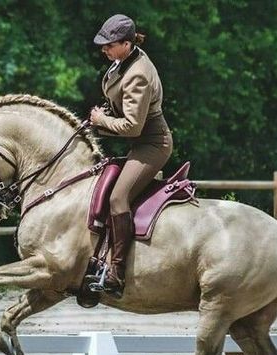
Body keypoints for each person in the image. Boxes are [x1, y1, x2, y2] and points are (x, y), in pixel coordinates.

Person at [90, 14, 173, 298]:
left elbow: (131, 126)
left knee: (117, 197)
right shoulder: (122, 61)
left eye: (109, 45)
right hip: (138, 142)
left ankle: (116, 272)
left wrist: (101, 121)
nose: (104, 50)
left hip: (152, 144)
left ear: (126, 43)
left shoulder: (138, 73)